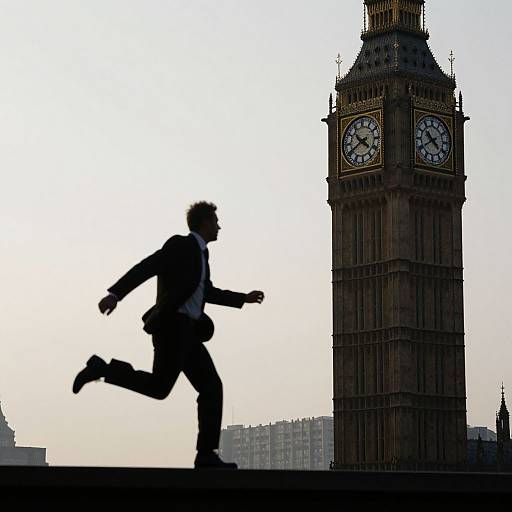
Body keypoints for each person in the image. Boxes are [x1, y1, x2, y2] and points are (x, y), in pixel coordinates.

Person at [72, 202, 264, 469]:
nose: (219, 226)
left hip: (189, 333)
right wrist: (116, 294)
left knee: (193, 387)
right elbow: (148, 266)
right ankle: (103, 369)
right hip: (173, 329)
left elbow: (206, 291)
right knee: (181, 387)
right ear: (204, 223)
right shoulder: (181, 245)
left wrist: (243, 298)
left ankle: (205, 454)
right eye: (215, 221)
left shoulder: (202, 256)